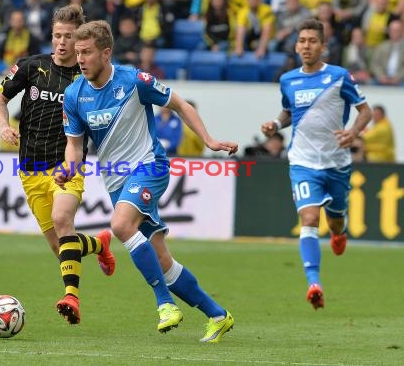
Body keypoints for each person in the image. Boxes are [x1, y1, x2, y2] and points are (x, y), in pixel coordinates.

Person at [56, 20, 238, 342]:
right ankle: (218, 315)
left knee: (121, 226)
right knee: (163, 261)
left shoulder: (134, 80)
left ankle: (164, 304)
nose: (79, 58)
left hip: (149, 166)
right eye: (77, 52)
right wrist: (69, 169)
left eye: (86, 52)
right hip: (116, 181)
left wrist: (208, 140)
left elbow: (180, 104)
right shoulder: (74, 94)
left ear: (106, 53)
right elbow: (74, 145)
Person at [0, 5, 116, 325]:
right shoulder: (31, 67)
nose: (62, 43)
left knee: (63, 219)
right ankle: (99, 244)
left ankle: (71, 297)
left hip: (67, 166)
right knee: (59, 244)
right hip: (30, 169)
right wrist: (4, 126)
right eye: (57, 36)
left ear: (80, 39)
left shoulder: (86, 78)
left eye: (69, 37)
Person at [260, 19, 372, 310]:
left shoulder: (339, 76)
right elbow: (288, 112)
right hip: (303, 161)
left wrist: (353, 132)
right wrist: (275, 123)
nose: (306, 46)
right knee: (309, 219)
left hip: (336, 163)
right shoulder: (288, 80)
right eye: (302, 41)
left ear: (323, 46)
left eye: (312, 41)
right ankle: (314, 283)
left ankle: (339, 233)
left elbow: (365, 111)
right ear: (296, 46)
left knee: (335, 219)